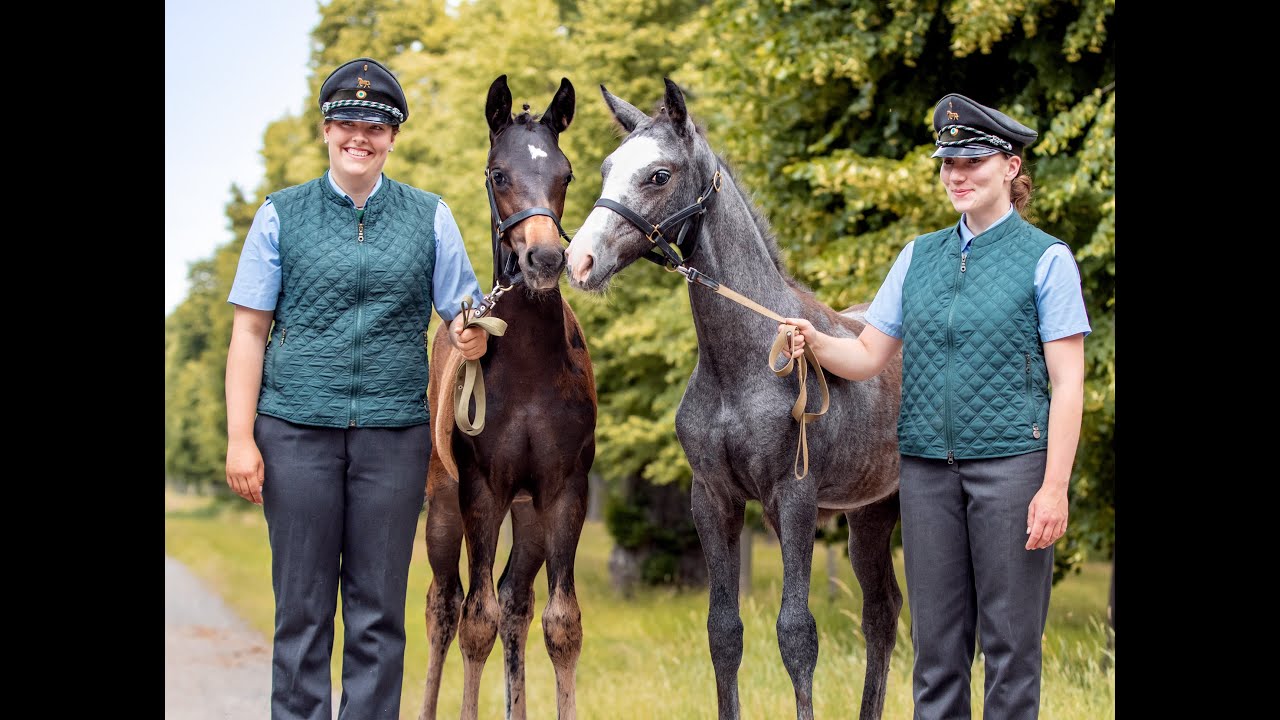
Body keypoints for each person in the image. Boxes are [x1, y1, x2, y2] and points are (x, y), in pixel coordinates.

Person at [782, 93, 1089, 719]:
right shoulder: (916, 256)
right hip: (924, 474)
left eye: (972, 161)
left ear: (1009, 166)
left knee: (1010, 652)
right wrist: (814, 342)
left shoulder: (1048, 260)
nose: (956, 175)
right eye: (948, 162)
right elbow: (867, 356)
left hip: (1014, 470)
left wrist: (1054, 486)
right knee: (936, 652)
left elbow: (1069, 384)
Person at [223, 57, 490, 720]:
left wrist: (472, 331)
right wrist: (239, 439)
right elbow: (249, 333)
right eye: (347, 122)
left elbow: (463, 310)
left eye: (375, 125)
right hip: (294, 435)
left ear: (393, 136)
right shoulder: (280, 216)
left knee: (377, 617)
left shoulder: (430, 217)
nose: (359, 135)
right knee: (303, 614)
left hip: (394, 439)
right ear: (326, 130)